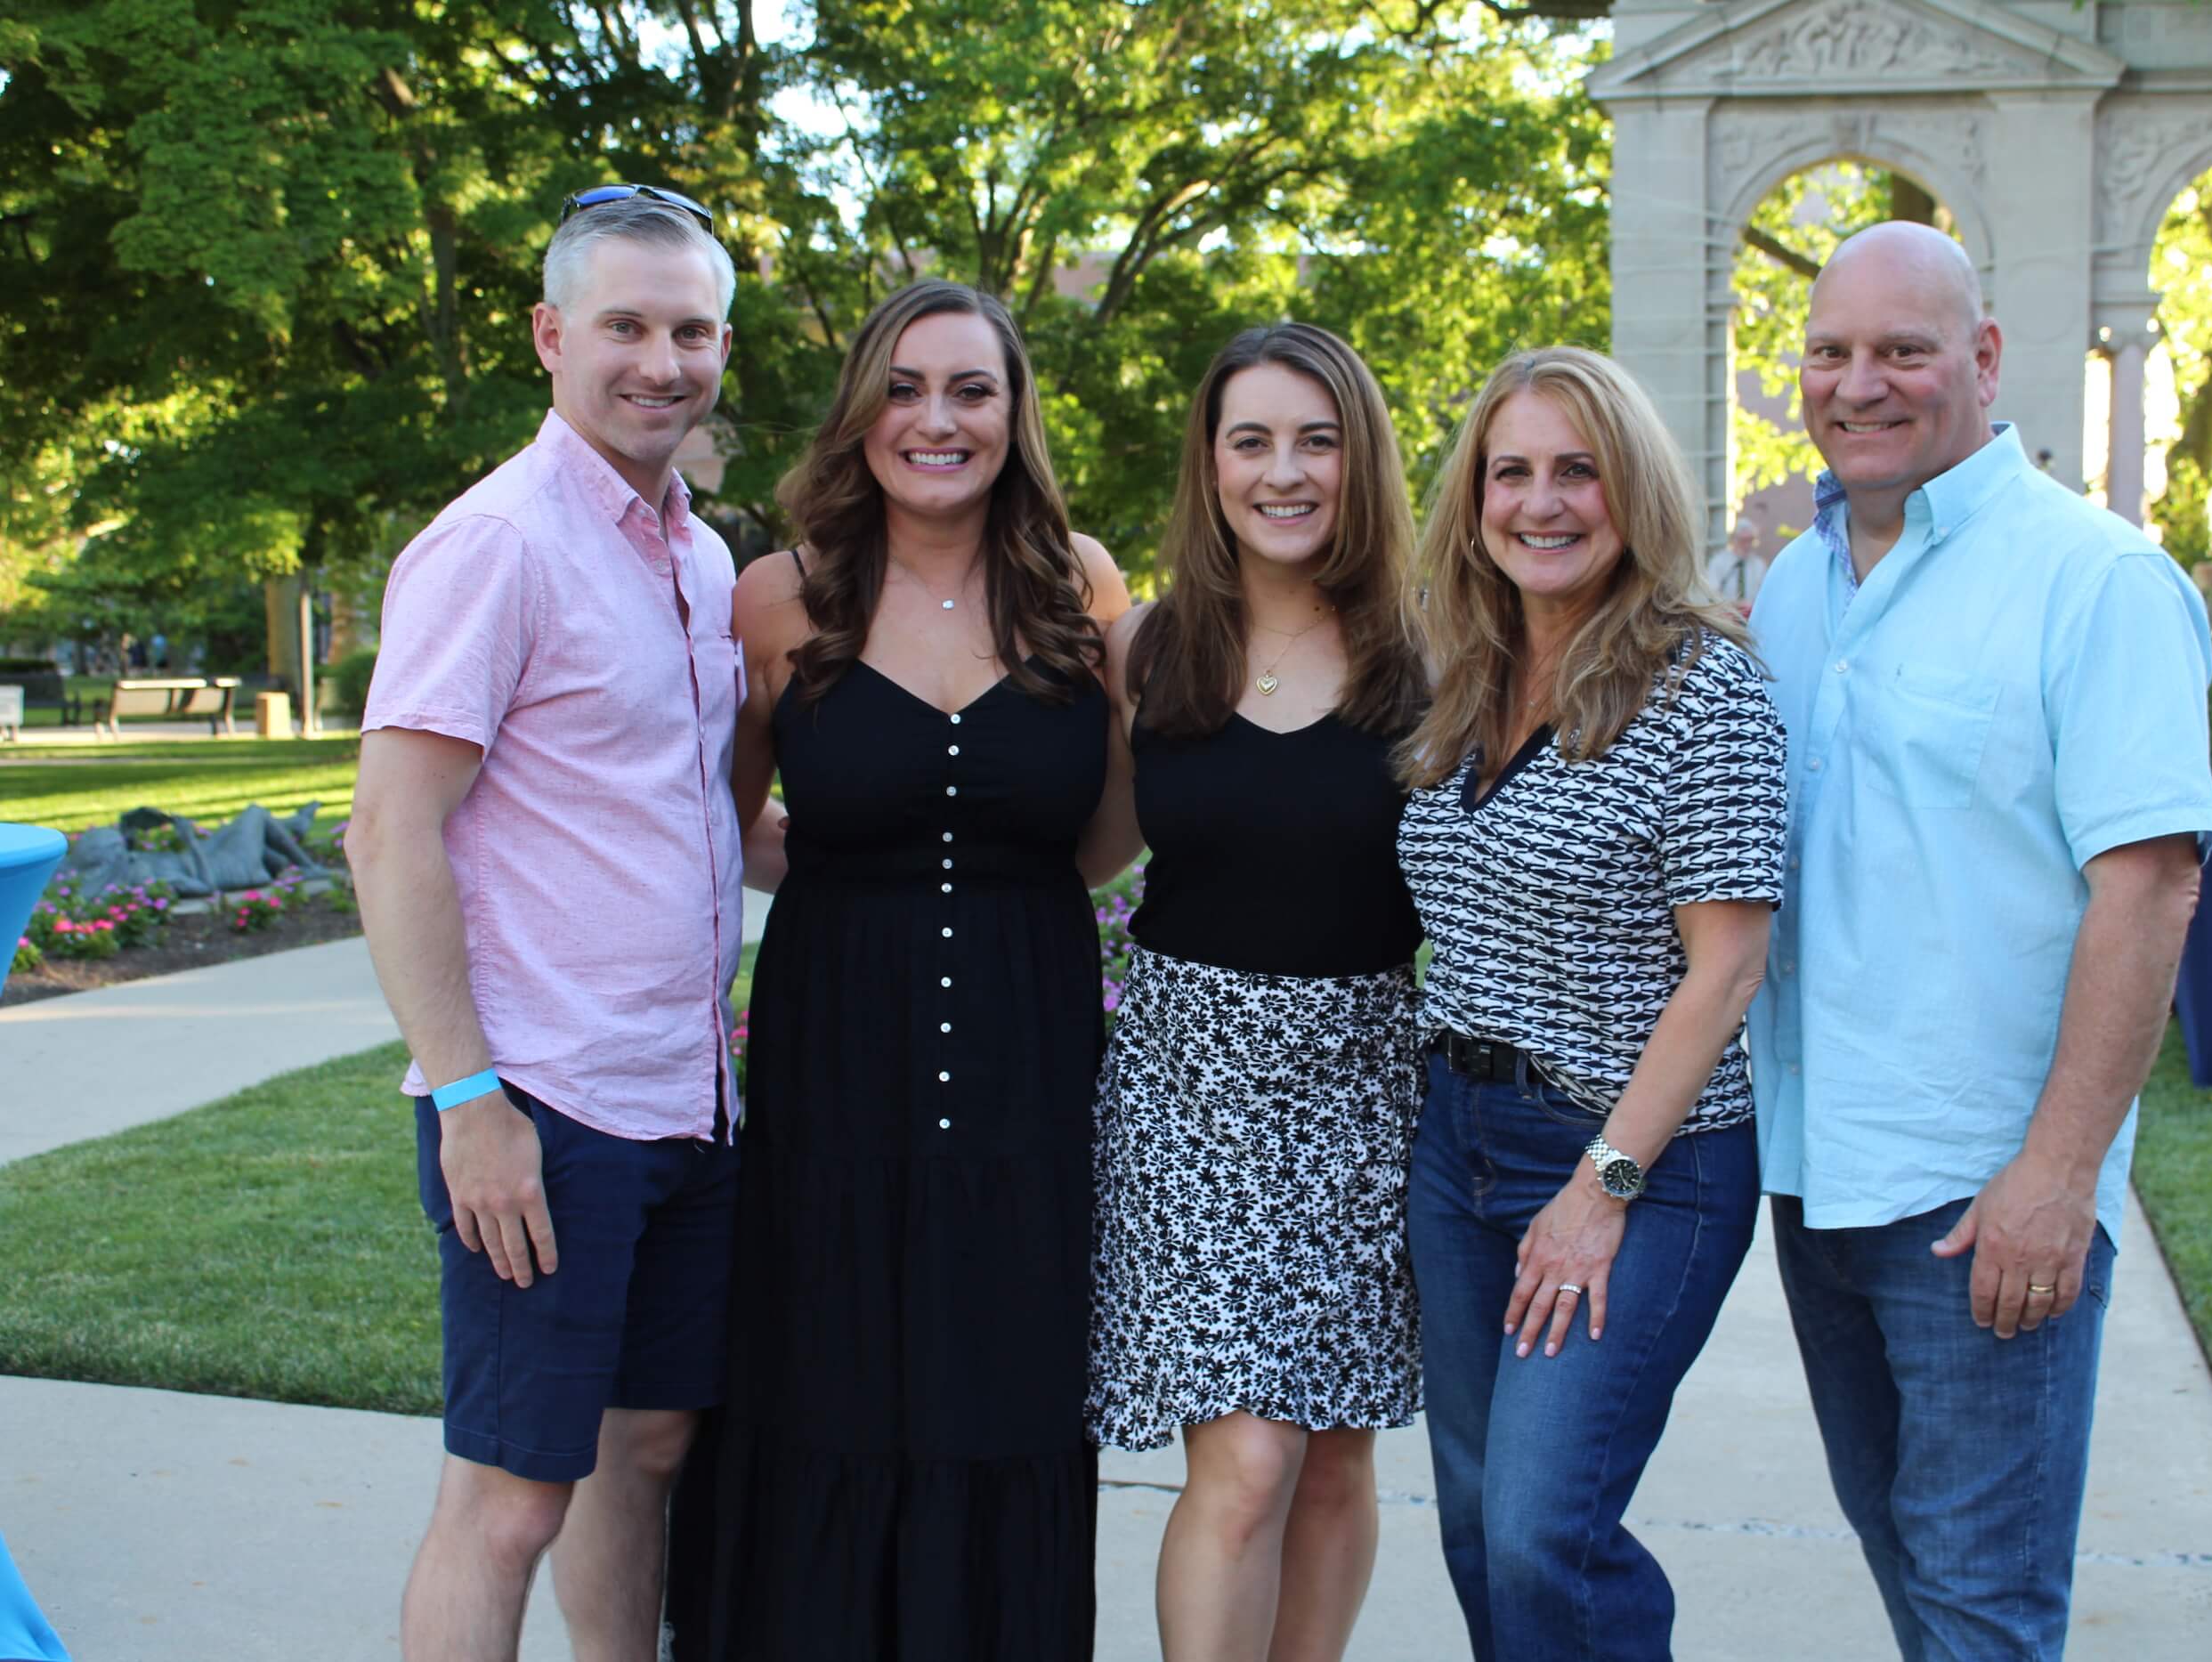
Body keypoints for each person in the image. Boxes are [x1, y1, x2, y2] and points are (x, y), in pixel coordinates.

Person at [1745, 222, 2212, 1660]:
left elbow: (2150, 891)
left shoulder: (2098, 582)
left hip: (1984, 1205)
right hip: (1814, 1180)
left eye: (1903, 349)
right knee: (1913, 1572)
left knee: (1981, 1610)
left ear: (1985, 358)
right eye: (1832, 351)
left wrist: (2060, 1171)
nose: (1861, 383)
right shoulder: (1795, 589)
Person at [665, 279, 1129, 1661]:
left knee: (1004, 1382)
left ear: (1014, 412)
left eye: (971, 389)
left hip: (1028, 1058)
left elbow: (1106, 829)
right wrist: (851, 871)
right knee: (826, 1377)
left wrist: (974, 870)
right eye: (907, 386)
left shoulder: (1080, 586)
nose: (938, 418)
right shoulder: (777, 598)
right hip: (831, 1056)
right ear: (863, 407)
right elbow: (713, 819)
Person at [350, 182, 756, 1662]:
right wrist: (470, 1098)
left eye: (693, 329)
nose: (663, 360)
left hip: (684, 1101)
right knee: (511, 1494)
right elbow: (389, 828)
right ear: (549, 335)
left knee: (643, 1448)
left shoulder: (697, 557)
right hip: (539, 1099)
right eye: (627, 326)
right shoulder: (498, 543)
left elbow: (686, 811)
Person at [1395, 345, 1787, 1658]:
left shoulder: (1704, 684)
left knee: (1541, 1527)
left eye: (1579, 471)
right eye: (1513, 471)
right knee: (1470, 1520)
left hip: (1639, 1158)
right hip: (1457, 1143)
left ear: (1634, 492)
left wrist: (1600, 1183)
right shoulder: (1465, 675)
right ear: (1476, 497)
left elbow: (1727, 963)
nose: (1542, 502)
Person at [1082, 323, 1432, 1661]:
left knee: (1336, 1460)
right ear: (1211, 465)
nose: (1284, 471)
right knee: (1245, 1461)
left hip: (1363, 1088)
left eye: (1317, 439)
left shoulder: (1434, 655)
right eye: (1251, 440)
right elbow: (1084, 852)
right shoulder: (1151, 651)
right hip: (1191, 1092)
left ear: (1362, 457)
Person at [1702, 517, 1770, 615]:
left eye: (1750, 540)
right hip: (1725, 616)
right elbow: (1711, 594)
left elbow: (1765, 595)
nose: (1747, 545)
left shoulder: (1759, 565)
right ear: (1734, 540)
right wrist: (1734, 605)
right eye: (1743, 540)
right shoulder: (1719, 562)